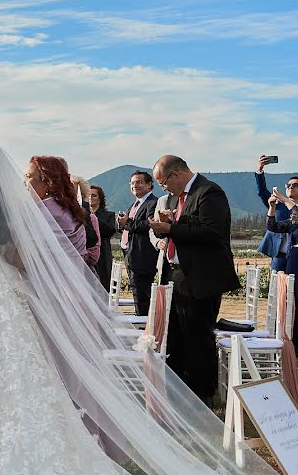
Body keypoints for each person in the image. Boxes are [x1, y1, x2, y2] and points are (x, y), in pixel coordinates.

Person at [0, 131, 298, 475]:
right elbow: (25, 253)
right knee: (23, 374)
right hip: (8, 291)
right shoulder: (5, 200)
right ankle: (42, 449)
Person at [149, 156, 240, 405]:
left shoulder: (209, 192)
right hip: (179, 274)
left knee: (198, 337)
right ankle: (179, 392)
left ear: (176, 174)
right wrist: (168, 225)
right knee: (177, 336)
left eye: (163, 183)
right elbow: (191, 225)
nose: (163, 189)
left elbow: (211, 232)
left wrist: (172, 229)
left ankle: (202, 396)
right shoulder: (183, 197)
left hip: (202, 276)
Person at [267, 186, 298, 356]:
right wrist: (272, 208)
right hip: (294, 263)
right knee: (294, 300)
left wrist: (287, 201)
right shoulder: (295, 220)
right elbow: (273, 226)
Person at [24, 156, 87, 258]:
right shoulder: (66, 208)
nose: (24, 182)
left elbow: (24, 258)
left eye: (28, 176)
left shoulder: (44, 213)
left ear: (46, 183)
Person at [118, 171, 159, 318]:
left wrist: (127, 222)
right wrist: (121, 223)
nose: (135, 185)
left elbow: (149, 224)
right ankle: (142, 320)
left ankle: (145, 327)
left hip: (143, 256)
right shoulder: (134, 204)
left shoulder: (152, 203)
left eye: (139, 182)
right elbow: (130, 226)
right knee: (137, 293)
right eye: (133, 183)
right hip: (131, 254)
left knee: (143, 296)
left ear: (149, 185)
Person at [255, 155, 298, 272]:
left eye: (295, 185)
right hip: (280, 255)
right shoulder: (277, 206)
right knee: (278, 287)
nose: (291, 187)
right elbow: (262, 192)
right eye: (288, 185)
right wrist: (260, 169)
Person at [89, 184, 116, 290]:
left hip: (102, 257)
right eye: (88, 195)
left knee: (103, 287)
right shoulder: (80, 215)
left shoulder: (109, 215)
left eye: (94, 195)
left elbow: (109, 231)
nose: (91, 198)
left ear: (100, 199)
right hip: (86, 257)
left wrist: (92, 218)